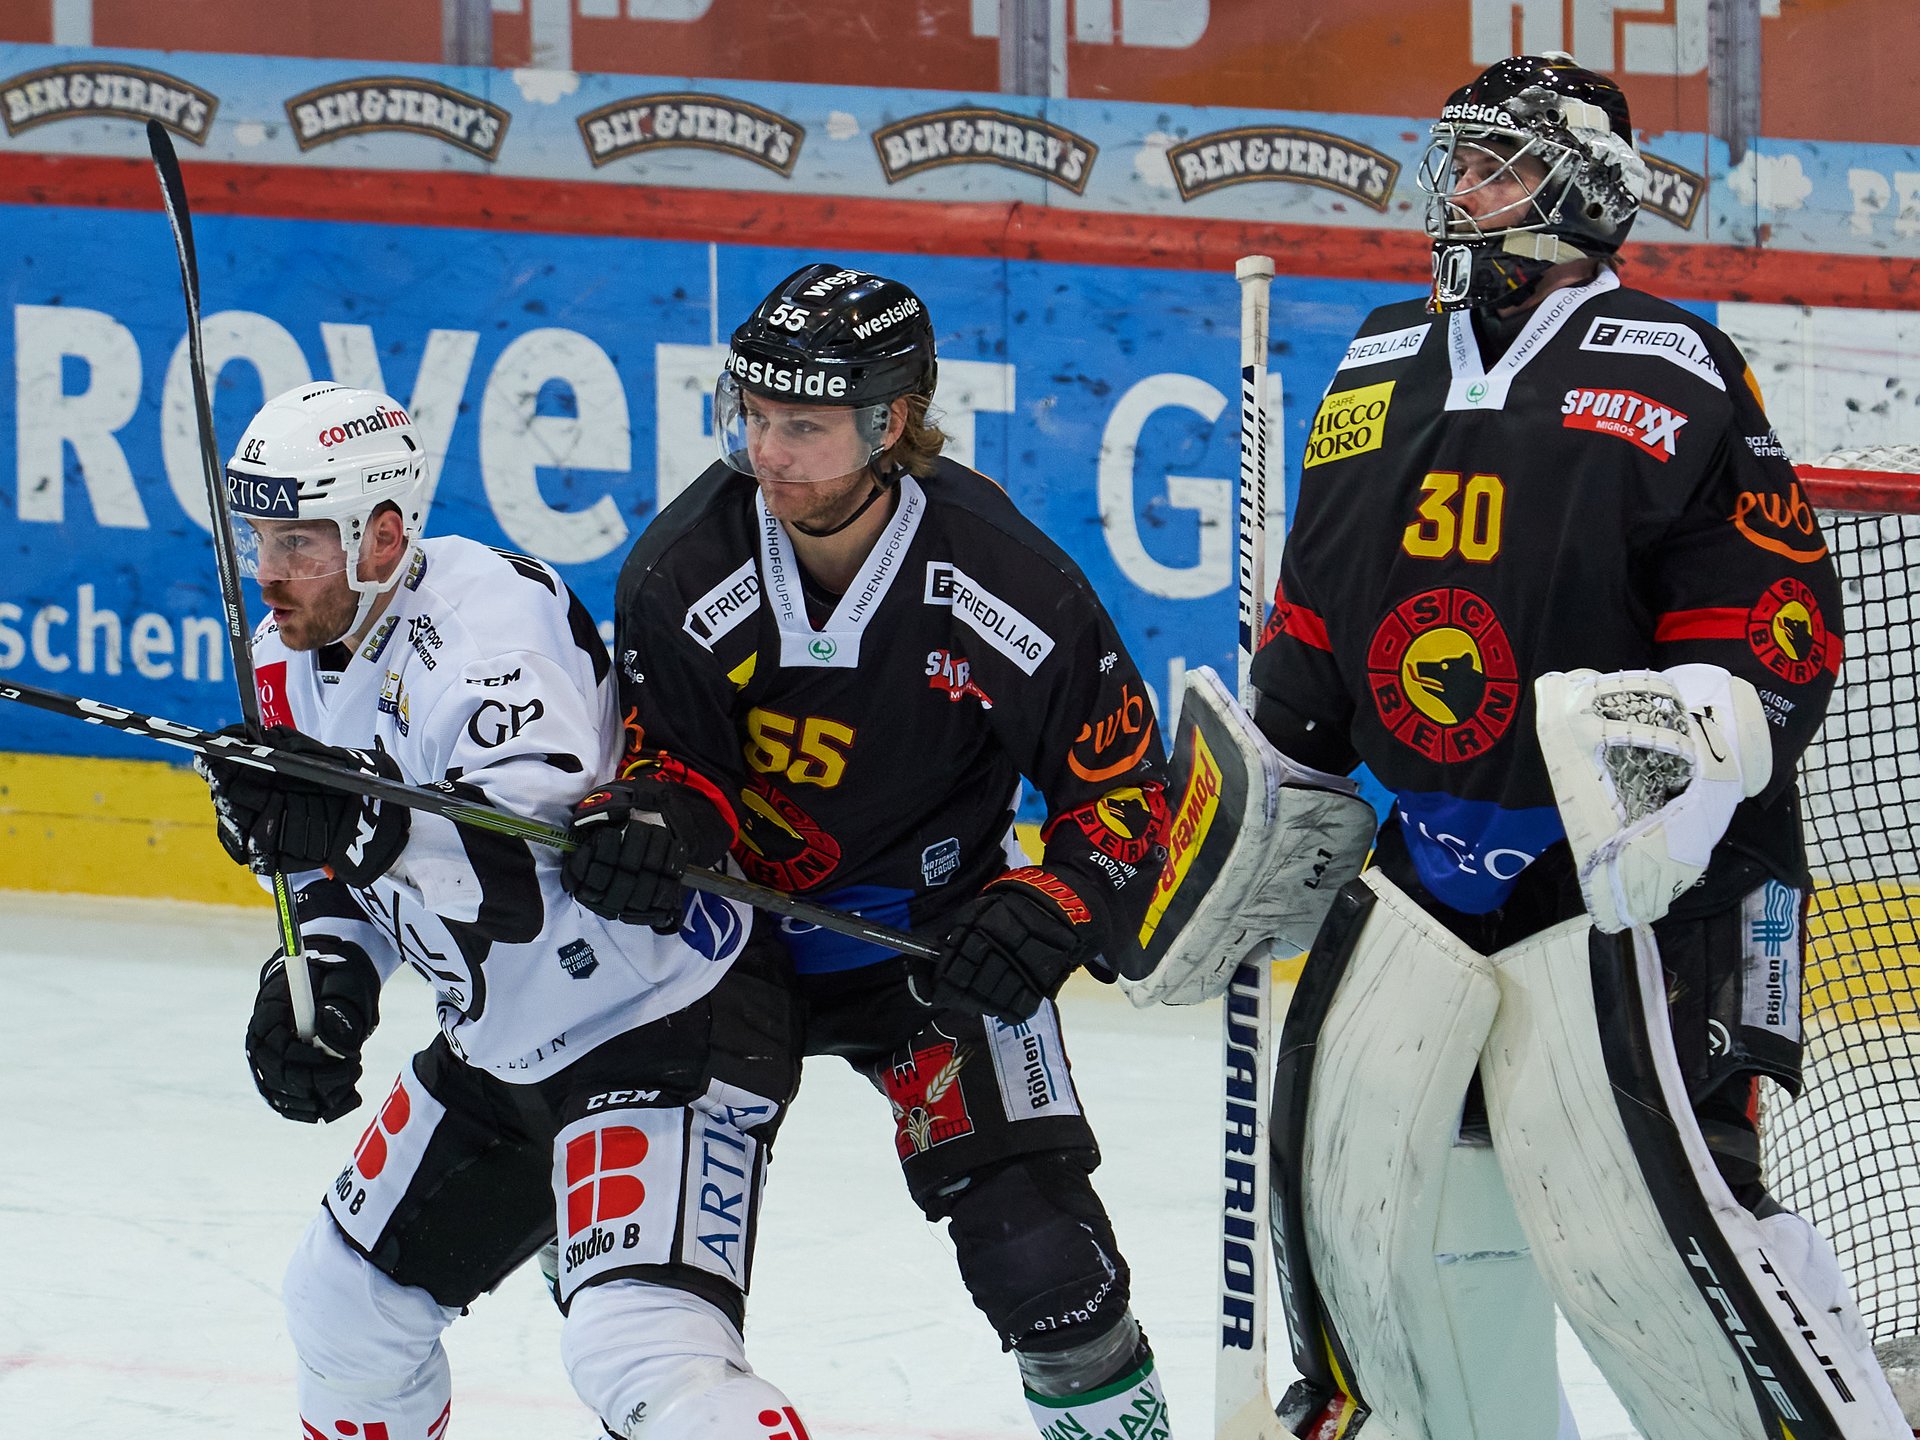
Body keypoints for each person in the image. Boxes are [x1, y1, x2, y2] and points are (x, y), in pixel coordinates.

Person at [1249, 52, 1913, 1440]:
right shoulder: (1378, 356)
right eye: (1458, 162)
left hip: (1655, 889)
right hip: (1438, 885)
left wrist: (1689, 757)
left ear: (1590, 191)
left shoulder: (1676, 366)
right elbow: (1319, 599)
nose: (1462, 191)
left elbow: (1779, 628)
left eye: (1498, 166)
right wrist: (1277, 776)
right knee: (1419, 1240)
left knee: (1681, 1238)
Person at [560, 264, 1176, 1436]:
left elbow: (1121, 791)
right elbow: (670, 770)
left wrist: (1053, 903)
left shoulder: (1006, 578)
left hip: (932, 949)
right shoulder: (683, 567)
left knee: (1049, 1269)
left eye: (803, 425)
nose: (767, 452)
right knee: (643, 1279)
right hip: (724, 950)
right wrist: (648, 824)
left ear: (892, 423)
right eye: (752, 416)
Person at [195, 382, 812, 1439]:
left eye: (299, 541)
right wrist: (328, 975)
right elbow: (337, 867)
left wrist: (352, 821)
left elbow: (528, 871)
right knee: (344, 1310)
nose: (268, 573)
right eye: (260, 538)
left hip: (662, 1017)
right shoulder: (283, 659)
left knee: (639, 1349)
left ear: (382, 536)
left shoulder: (491, 629)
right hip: (505, 1043)